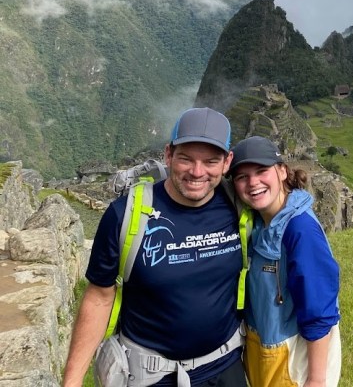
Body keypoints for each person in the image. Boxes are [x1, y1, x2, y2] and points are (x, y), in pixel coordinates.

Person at [62, 107, 247, 387]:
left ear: (227, 162)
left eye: (210, 162)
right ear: (169, 154)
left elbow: (283, 208)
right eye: (186, 159)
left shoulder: (238, 206)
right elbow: (100, 296)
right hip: (151, 376)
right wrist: (72, 381)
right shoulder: (125, 215)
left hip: (225, 368)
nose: (197, 172)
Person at [230, 136, 341, 387]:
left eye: (261, 171)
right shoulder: (257, 224)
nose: (253, 183)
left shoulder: (299, 230)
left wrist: (316, 379)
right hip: (265, 353)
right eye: (242, 177)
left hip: (294, 362)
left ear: (281, 171)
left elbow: (319, 308)